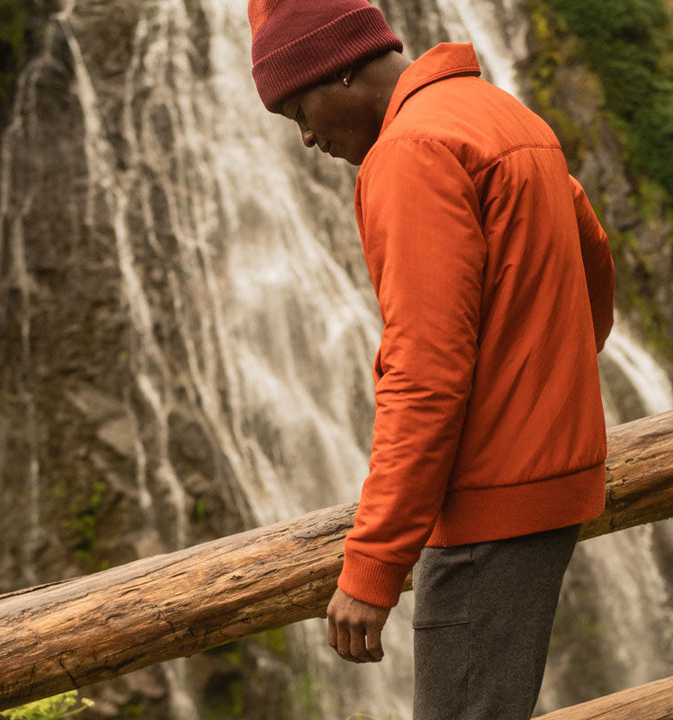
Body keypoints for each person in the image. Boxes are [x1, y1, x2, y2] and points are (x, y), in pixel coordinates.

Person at [247, 1, 615, 718]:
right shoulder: (499, 114)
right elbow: (591, 265)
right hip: (552, 481)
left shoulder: (411, 150)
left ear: (344, 68)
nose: (308, 140)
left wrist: (373, 565)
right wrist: (542, 380)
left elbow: (425, 373)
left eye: (300, 110)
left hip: (487, 501)